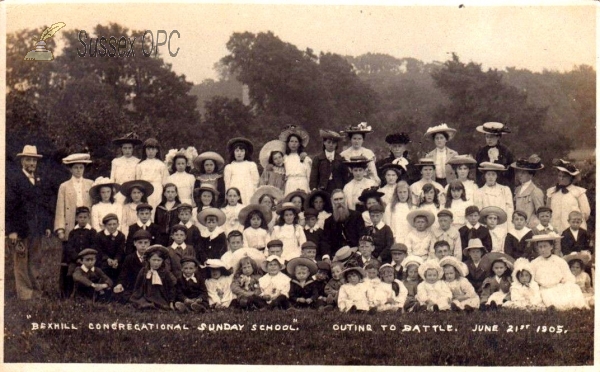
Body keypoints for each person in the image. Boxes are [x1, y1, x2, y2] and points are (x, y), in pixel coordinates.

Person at [6, 145, 57, 299]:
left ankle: (36, 290)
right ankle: (25, 293)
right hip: (20, 228)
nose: (32, 164)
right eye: (28, 160)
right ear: (22, 161)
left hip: (36, 228)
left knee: (35, 259)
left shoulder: (39, 181)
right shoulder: (15, 180)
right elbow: (10, 207)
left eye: (34, 161)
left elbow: (45, 205)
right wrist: (12, 230)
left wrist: (47, 225)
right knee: (21, 259)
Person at [529, 233, 588, 310]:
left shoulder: (559, 261)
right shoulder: (534, 263)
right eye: (540, 247)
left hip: (558, 286)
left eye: (545, 246)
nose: (543, 249)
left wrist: (565, 283)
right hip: (545, 289)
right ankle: (559, 307)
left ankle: (578, 307)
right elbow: (531, 279)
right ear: (537, 248)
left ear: (551, 247)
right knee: (549, 297)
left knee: (574, 287)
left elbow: (568, 276)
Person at [55, 153, 94, 240]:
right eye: (75, 167)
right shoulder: (64, 186)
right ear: (70, 169)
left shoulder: (90, 184)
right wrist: (60, 229)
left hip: (87, 220)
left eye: (81, 167)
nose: (78, 170)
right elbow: (60, 209)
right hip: (71, 220)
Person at [546, 159, 591, 233]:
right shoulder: (551, 192)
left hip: (573, 230)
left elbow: (585, 213)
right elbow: (547, 211)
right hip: (555, 230)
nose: (561, 178)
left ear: (571, 178)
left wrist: (574, 223)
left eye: (564, 176)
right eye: (559, 176)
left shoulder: (579, 192)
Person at [321, 190, 366, 260]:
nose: (339, 202)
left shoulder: (356, 216)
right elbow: (325, 241)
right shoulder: (328, 221)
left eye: (341, 199)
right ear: (332, 201)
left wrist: (358, 252)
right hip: (337, 256)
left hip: (355, 254)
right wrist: (326, 257)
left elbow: (362, 236)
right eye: (336, 200)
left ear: (345, 199)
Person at [130, 245, 177, 311]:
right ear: (149, 259)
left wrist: (171, 302)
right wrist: (136, 295)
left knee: (162, 305)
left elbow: (171, 288)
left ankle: (153, 306)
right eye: (154, 260)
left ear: (162, 261)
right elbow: (137, 286)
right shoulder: (144, 271)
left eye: (159, 260)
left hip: (160, 297)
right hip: (145, 296)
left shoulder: (165, 272)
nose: (156, 263)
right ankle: (147, 305)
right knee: (140, 302)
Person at [62, 206, 96, 298]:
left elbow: (93, 246)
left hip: (88, 260)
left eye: (85, 217)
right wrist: (77, 258)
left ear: (89, 218)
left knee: (91, 274)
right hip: (75, 260)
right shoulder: (73, 232)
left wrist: (85, 259)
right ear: (76, 218)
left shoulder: (92, 232)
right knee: (70, 274)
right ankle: (68, 295)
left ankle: (87, 294)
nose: (83, 220)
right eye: (80, 217)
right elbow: (69, 247)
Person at [474, 162, 514, 233]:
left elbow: (510, 211)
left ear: (496, 176)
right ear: (485, 176)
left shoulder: (505, 190)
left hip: (502, 227)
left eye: (493, 174)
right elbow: (479, 212)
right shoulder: (479, 192)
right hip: (486, 227)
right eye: (488, 174)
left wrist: (509, 229)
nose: (491, 177)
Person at [113, 229, 151, 302]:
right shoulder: (129, 258)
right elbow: (123, 274)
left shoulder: (152, 258)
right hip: (134, 286)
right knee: (120, 295)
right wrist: (120, 284)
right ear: (134, 243)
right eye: (140, 243)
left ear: (149, 244)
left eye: (146, 243)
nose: (143, 245)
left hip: (148, 287)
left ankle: (142, 301)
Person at [475, 122, 515, 190]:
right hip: (484, 188)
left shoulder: (506, 152)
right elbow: (478, 174)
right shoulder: (481, 152)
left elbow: (511, 176)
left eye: (492, 137)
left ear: (498, 137)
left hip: (502, 188)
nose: (489, 139)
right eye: (487, 137)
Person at [223, 137, 259, 207]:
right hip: (234, 192)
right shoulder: (229, 167)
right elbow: (227, 184)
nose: (239, 153)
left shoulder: (251, 165)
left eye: (242, 151)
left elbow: (255, 182)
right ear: (233, 152)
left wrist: (253, 194)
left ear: (245, 152)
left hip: (248, 191)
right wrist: (227, 198)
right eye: (237, 151)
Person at [511, 154, 545, 228]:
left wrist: (533, 225)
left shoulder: (536, 191)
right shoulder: (517, 189)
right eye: (519, 172)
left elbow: (541, 213)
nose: (520, 175)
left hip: (530, 227)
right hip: (517, 226)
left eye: (523, 173)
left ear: (531, 175)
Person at [310, 129, 349, 194]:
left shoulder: (341, 159)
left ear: (336, 144)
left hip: (338, 189)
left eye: (333, 143)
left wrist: (344, 189)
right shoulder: (318, 159)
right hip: (323, 189)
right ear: (324, 143)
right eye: (328, 142)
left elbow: (345, 177)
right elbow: (314, 176)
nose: (331, 145)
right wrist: (314, 188)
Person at [135, 138, 169, 212]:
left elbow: (165, 182)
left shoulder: (161, 165)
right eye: (148, 149)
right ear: (145, 150)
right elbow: (137, 181)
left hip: (157, 189)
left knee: (156, 208)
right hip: (144, 189)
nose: (150, 152)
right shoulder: (140, 165)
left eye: (153, 149)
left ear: (157, 150)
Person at [279, 125, 312, 195]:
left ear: (299, 144)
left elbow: (309, 174)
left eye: (296, 142)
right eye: (291, 141)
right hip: (290, 184)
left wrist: (309, 189)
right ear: (288, 143)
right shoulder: (285, 158)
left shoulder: (305, 158)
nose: (293, 144)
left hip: (303, 183)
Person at [110, 133, 142, 205]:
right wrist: (113, 191)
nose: (127, 150)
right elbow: (112, 179)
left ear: (133, 149)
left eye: (129, 148)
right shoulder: (115, 161)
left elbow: (138, 179)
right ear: (121, 149)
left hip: (131, 191)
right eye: (125, 148)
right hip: (119, 190)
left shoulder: (137, 162)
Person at [94, 213, 125, 282]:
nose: (112, 226)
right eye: (109, 224)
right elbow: (99, 250)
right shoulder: (99, 236)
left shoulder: (121, 236)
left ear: (118, 224)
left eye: (114, 224)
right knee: (104, 268)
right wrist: (107, 259)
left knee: (120, 268)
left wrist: (116, 260)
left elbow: (120, 251)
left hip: (117, 260)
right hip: (103, 260)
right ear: (105, 225)